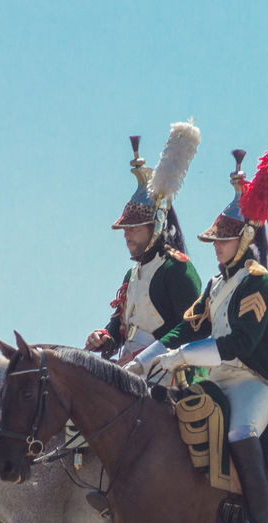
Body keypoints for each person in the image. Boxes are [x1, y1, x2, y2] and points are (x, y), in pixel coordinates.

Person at [129, 142, 268, 523]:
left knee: (239, 431)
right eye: (216, 239)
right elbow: (186, 327)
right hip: (221, 377)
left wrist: (185, 358)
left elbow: (238, 345)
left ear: (245, 238)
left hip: (256, 381)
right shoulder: (214, 285)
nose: (216, 246)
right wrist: (145, 359)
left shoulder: (258, 282)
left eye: (225, 240)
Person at [86, 123, 203, 364]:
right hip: (128, 365)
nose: (127, 234)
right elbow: (120, 326)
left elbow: (193, 328)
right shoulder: (132, 274)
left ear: (156, 225)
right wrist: (105, 337)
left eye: (135, 227)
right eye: (125, 228)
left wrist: (148, 357)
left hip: (168, 371)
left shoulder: (176, 269)